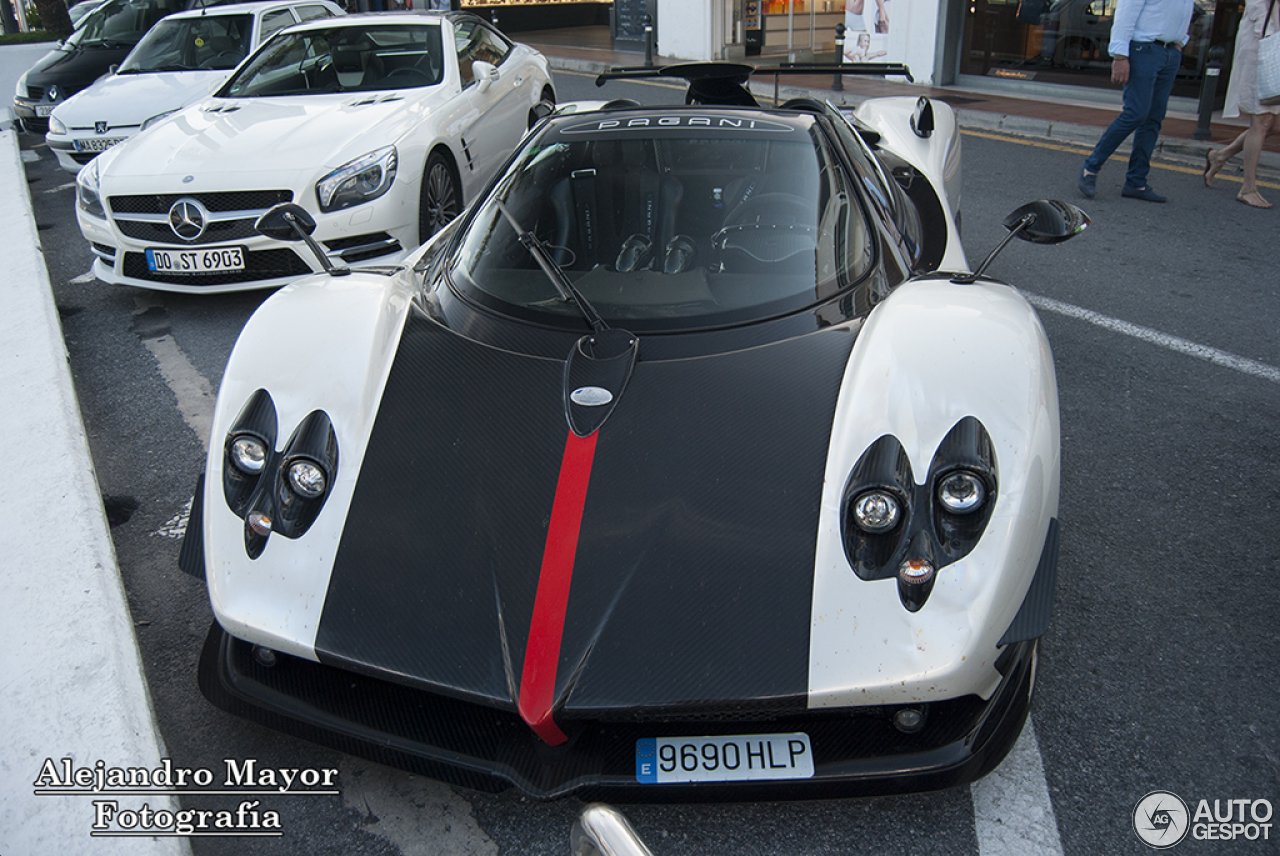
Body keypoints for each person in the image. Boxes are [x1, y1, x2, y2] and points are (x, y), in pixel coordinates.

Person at [1077, 0, 1194, 202]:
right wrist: (1120, 56)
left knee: (1154, 118)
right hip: (1144, 50)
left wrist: (1180, 42)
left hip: (1169, 53)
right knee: (1136, 113)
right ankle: (1091, 167)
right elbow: (1125, 15)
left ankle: (1136, 182)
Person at [1203, 0, 1280, 207]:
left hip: (1273, 43)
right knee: (1262, 120)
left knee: (1275, 124)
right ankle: (1248, 188)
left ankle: (1220, 156)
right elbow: (1257, 7)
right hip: (1263, 45)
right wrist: (1271, 36)